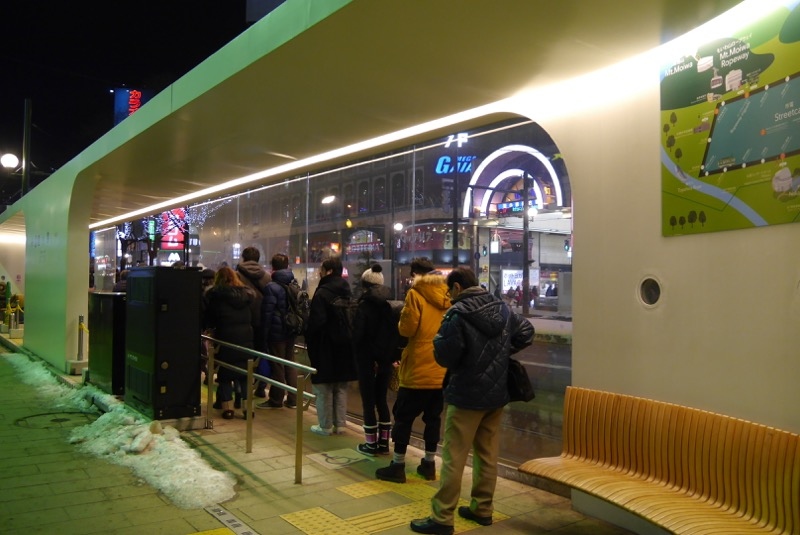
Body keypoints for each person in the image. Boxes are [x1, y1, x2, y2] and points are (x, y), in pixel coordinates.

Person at [409, 267, 534, 535]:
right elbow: (526, 331)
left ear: (457, 287)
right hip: (496, 395)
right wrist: (502, 352)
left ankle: (442, 517)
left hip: (466, 394)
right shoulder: (502, 308)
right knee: (487, 454)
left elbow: (444, 356)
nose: (448, 296)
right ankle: (482, 509)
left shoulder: (458, 314)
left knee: (454, 457)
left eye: (449, 291)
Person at [376, 257, 449, 483]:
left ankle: (398, 465)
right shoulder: (447, 295)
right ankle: (429, 464)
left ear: (416, 274)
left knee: (403, 417)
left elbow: (407, 329)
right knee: (433, 418)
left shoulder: (415, 294)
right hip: (440, 367)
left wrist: (400, 321)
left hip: (418, 366)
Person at [304, 256, 357, 435]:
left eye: (321, 269)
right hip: (346, 346)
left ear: (328, 271)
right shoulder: (347, 291)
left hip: (325, 346)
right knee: (340, 386)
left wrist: (310, 341)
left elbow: (316, 324)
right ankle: (340, 424)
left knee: (324, 387)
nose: (319, 272)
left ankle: (325, 426)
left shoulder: (322, 293)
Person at [353, 263, 396, 456]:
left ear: (365, 285)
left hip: (367, 361)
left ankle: (370, 444)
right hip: (385, 361)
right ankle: (384, 444)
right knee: (382, 401)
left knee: (368, 403)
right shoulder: (389, 306)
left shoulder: (363, 307)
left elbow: (358, 336)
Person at [202, 266, 255, 420]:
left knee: (225, 374)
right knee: (244, 374)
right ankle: (248, 409)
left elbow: (210, 319)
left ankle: (228, 409)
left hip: (225, 338)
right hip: (246, 338)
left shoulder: (216, 296)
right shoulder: (246, 296)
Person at [257, 253, 299, 410]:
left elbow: (267, 314)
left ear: (273, 267)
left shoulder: (271, 287)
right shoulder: (294, 284)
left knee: (277, 366)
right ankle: (293, 399)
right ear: (287, 266)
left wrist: (264, 335)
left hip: (276, 333)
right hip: (291, 330)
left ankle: (276, 399)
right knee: (290, 364)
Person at [234, 246, 271, 397]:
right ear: (258, 259)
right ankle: (261, 386)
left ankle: (242, 387)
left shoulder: (236, 275)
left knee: (241, 354)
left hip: (242, 321)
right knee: (261, 354)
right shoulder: (267, 277)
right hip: (262, 321)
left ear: (243, 258)